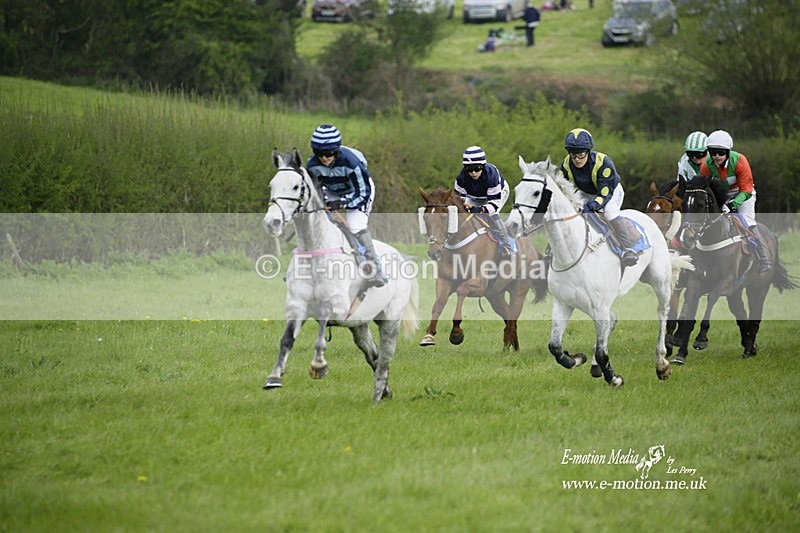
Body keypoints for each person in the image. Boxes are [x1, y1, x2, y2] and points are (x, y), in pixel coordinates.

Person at [306, 124, 388, 287]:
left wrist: (342, 202)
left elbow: (363, 192)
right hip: (332, 190)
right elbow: (315, 192)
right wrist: (324, 204)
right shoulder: (312, 165)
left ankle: (375, 269)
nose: (324, 158)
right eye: (319, 154)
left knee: (355, 226)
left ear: (336, 150)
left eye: (329, 154)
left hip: (359, 190)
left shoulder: (351, 162)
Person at [559, 128, 640, 267]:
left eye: (581, 154)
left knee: (609, 213)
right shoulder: (566, 165)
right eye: (573, 155)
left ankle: (628, 248)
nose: (577, 159)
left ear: (589, 151)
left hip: (611, 191)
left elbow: (604, 193)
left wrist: (591, 206)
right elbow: (564, 191)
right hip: (585, 193)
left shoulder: (603, 163)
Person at [699, 129, 771, 271]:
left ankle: (762, 258)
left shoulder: (739, 161)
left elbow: (746, 189)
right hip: (722, 195)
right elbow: (706, 188)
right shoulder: (706, 165)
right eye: (713, 152)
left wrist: (734, 203)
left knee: (747, 222)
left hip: (743, 194)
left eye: (721, 152)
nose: (717, 156)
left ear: (728, 152)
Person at [454, 145, 518, 256]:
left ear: (483, 166)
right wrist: (467, 208)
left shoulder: (491, 175)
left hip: (498, 193)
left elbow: (493, 204)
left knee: (492, 214)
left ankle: (507, 246)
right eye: (469, 169)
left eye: (477, 168)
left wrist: (479, 209)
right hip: (475, 196)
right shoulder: (461, 178)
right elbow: (459, 201)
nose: (473, 172)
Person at [676, 130, 708, 197]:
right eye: (690, 154)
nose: (694, 157)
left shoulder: (716, 159)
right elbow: (680, 184)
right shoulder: (683, 161)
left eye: (699, 154)